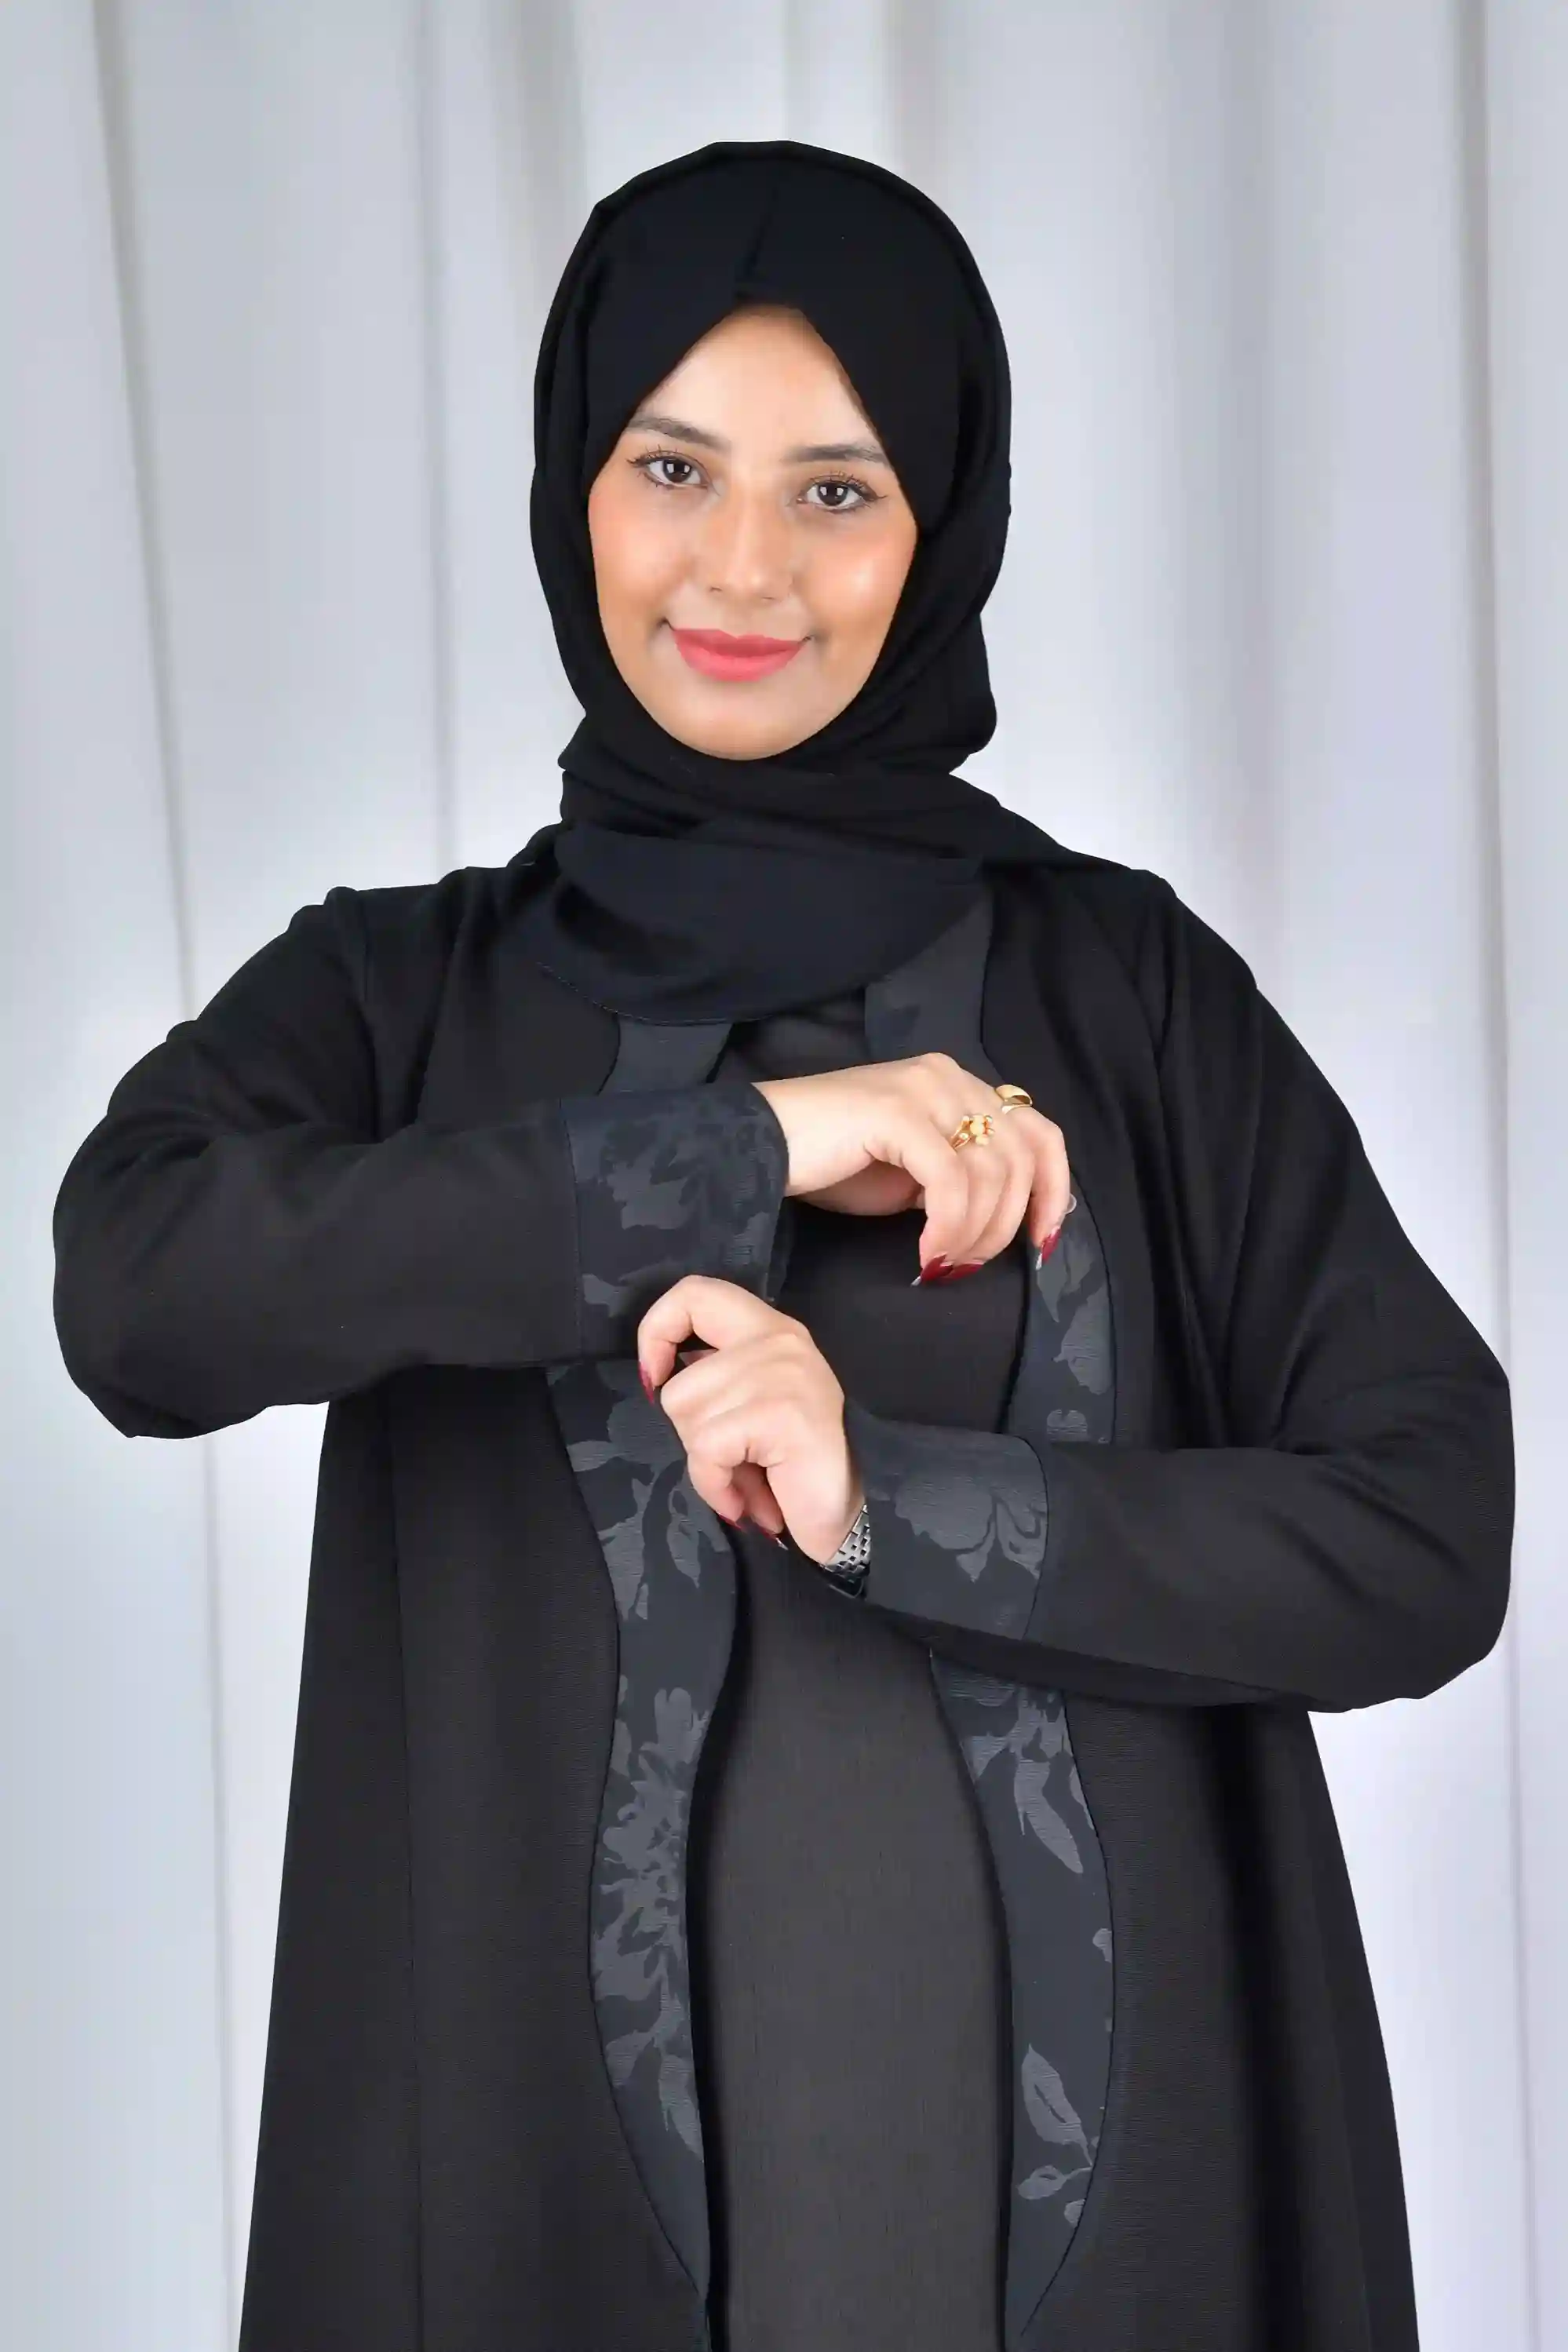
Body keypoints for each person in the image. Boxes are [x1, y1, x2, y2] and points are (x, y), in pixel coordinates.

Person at [51, 140, 1514, 2352]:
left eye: (836, 488)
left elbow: (1425, 1525)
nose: (741, 565)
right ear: (574, 488)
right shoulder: (404, 1000)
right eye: (671, 468)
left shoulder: (1128, 998)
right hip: (528, 2230)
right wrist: (740, 1147)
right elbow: (140, 1289)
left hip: (1099, 2248)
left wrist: (887, 1504)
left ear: (945, 524)